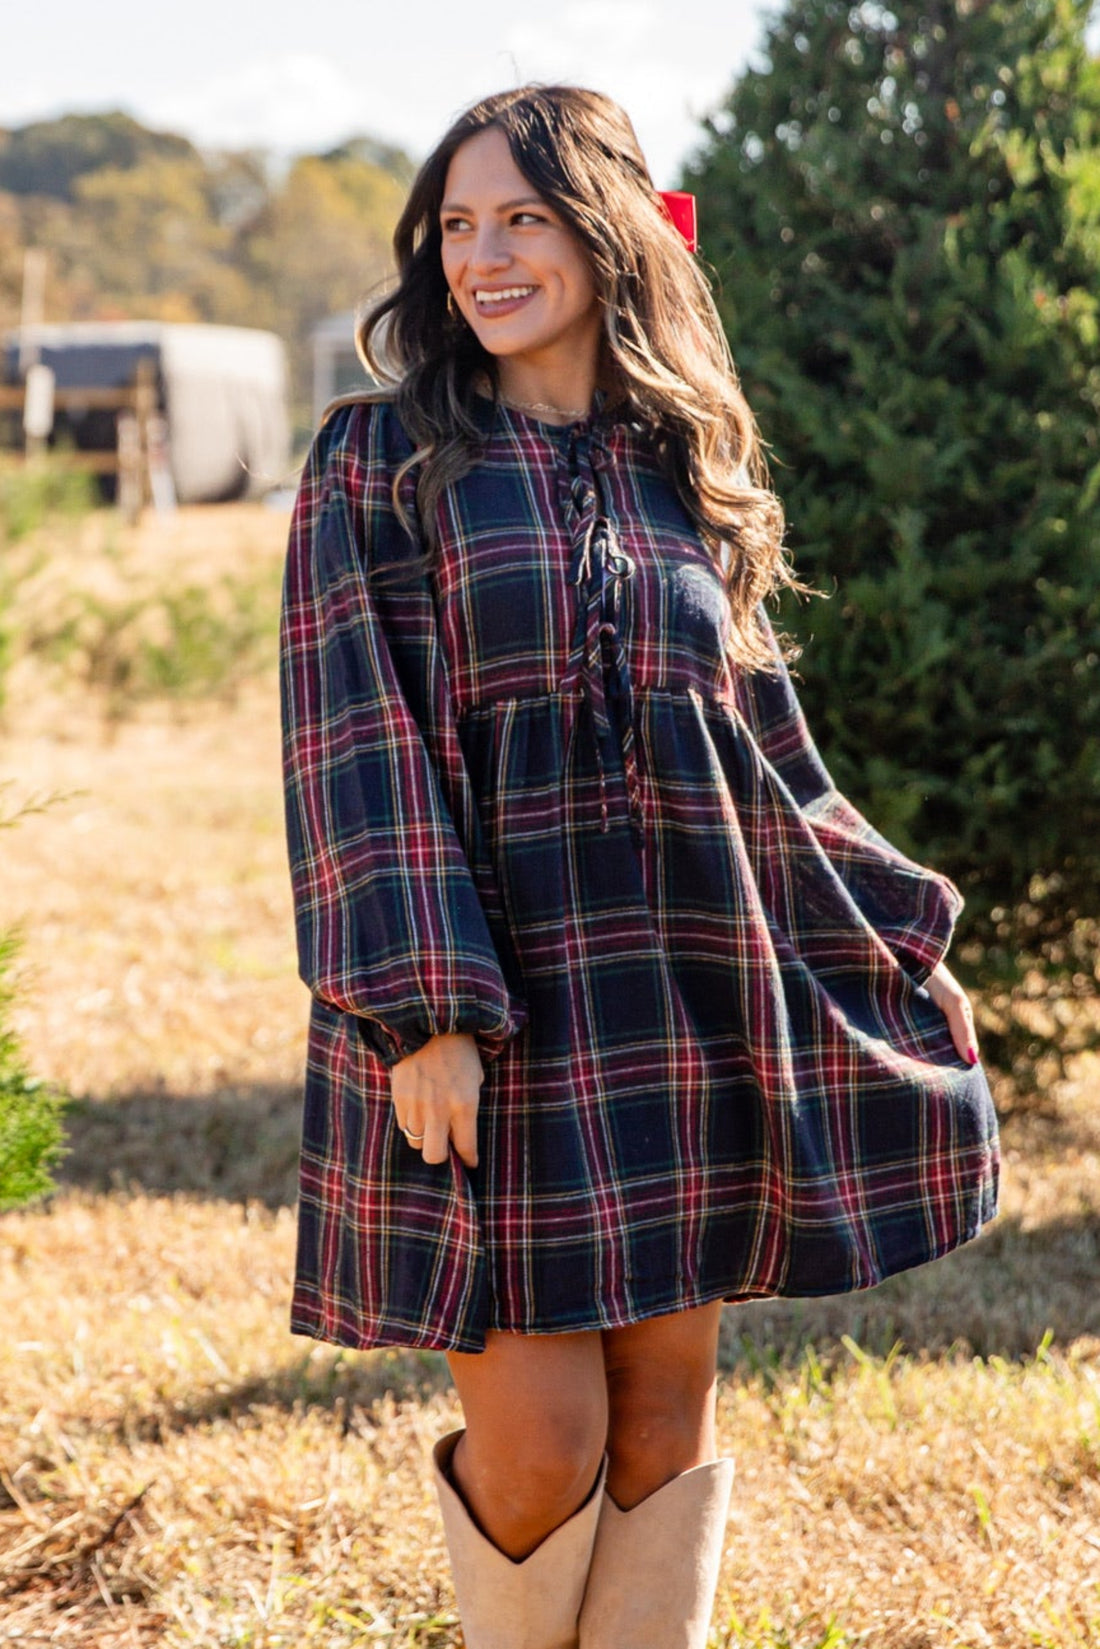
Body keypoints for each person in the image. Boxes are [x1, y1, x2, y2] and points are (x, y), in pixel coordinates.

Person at [280, 84, 999, 1649]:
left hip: (674, 987)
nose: (484, 257)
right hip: (485, 1011)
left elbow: (757, 754)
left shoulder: (682, 466)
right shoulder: (379, 462)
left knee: (663, 1428)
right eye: (458, 226)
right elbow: (355, 740)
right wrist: (428, 1010)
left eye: (522, 218)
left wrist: (891, 926)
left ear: (607, 232)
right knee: (547, 1441)